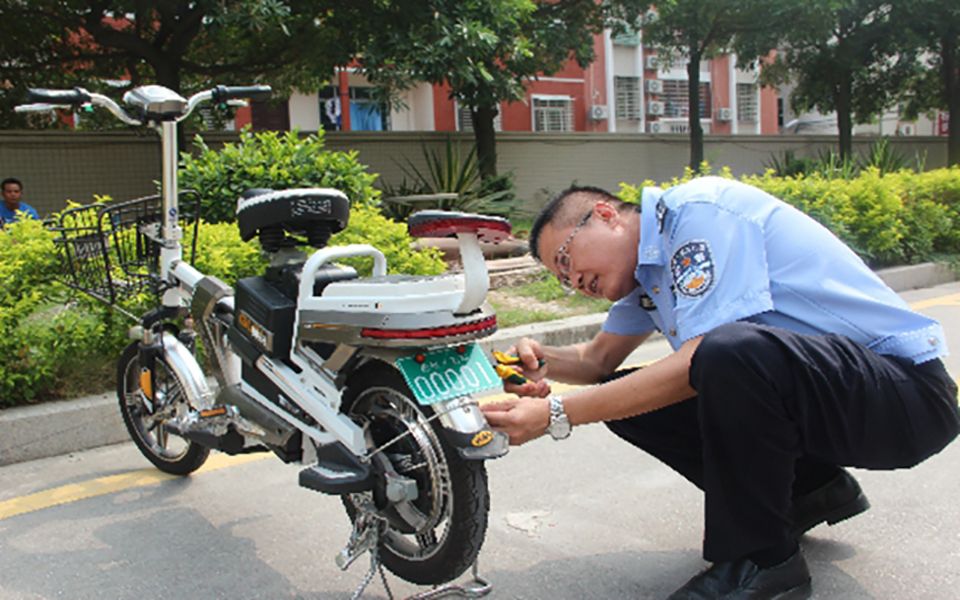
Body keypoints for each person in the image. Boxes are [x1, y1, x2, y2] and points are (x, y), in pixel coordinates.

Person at [480, 178, 959, 599]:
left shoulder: (697, 214)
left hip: (906, 397)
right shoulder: (645, 276)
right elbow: (596, 360)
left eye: (566, 258)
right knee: (630, 398)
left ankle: (763, 560)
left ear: (605, 215)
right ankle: (811, 490)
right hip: (839, 396)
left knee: (725, 353)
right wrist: (537, 361)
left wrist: (556, 414)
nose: (572, 280)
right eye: (560, 279)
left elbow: (708, 355)